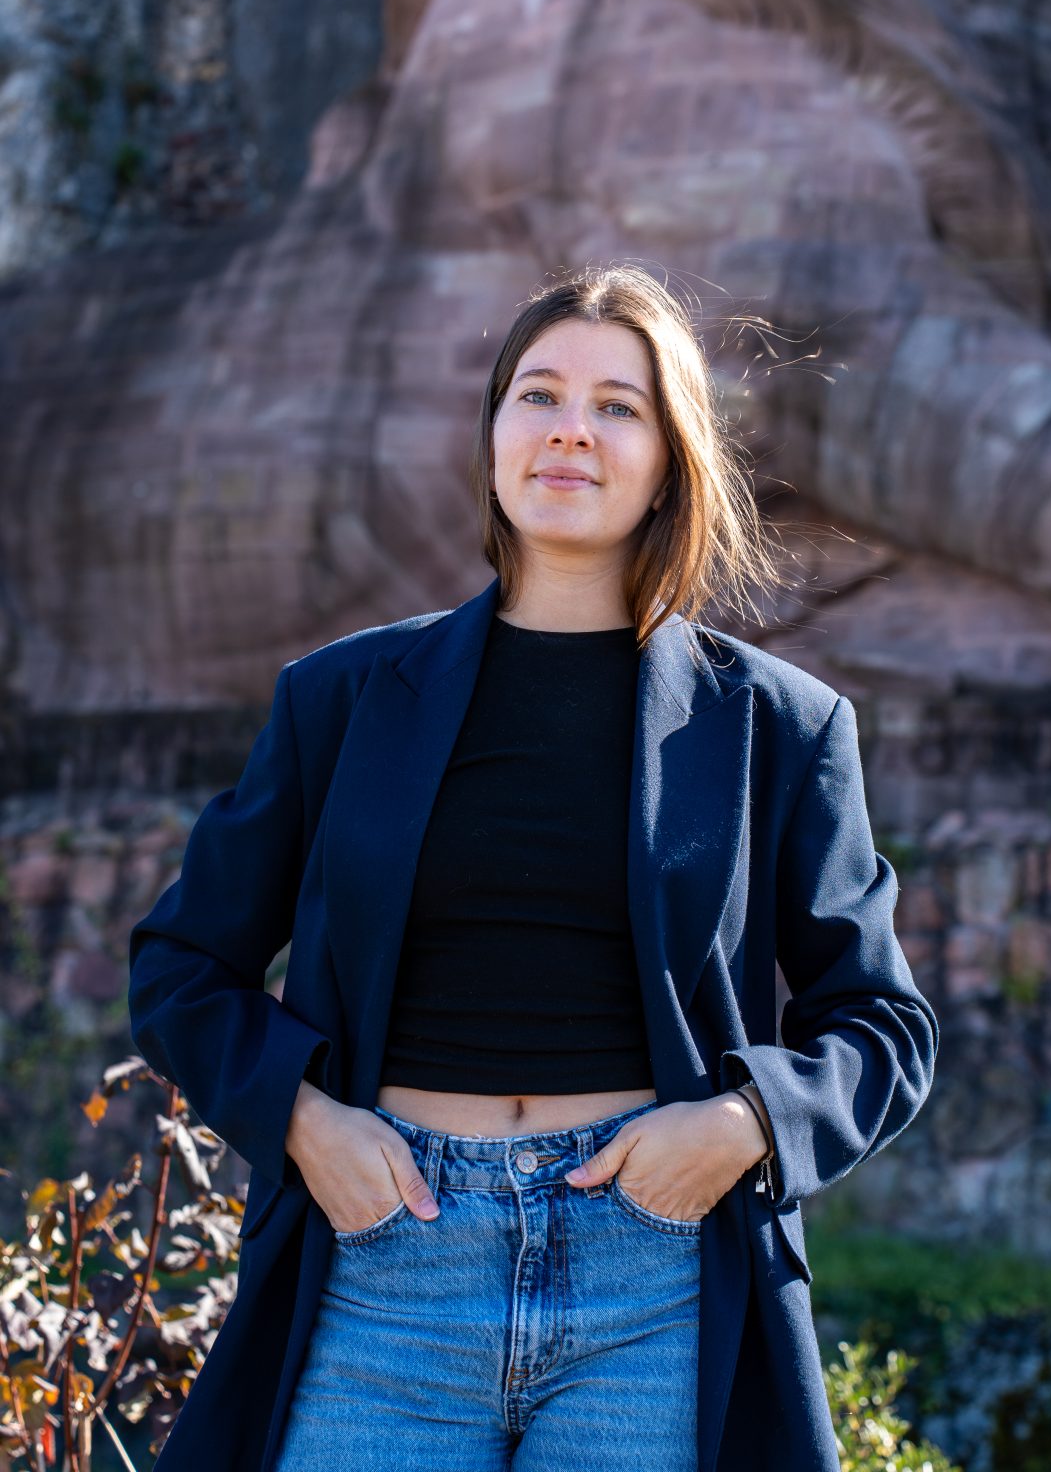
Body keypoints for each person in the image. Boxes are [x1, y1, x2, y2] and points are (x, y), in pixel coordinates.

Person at [128, 260, 940, 1472]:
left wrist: (742, 1124)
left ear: (668, 459)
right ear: (494, 432)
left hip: (654, 1275)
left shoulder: (778, 723)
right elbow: (181, 965)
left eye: (618, 406)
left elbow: (881, 1024)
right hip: (383, 1263)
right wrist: (303, 1123)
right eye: (538, 395)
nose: (571, 429)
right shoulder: (341, 698)